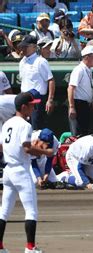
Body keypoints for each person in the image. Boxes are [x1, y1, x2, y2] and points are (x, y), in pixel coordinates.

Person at [0, 92, 51, 253]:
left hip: (8, 170)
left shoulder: (7, 123)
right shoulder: (25, 125)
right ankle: (30, 247)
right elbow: (27, 148)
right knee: (31, 210)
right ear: (23, 107)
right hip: (20, 171)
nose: (34, 107)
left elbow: (1, 147)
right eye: (32, 105)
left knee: (4, 211)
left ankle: (0, 246)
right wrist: (45, 152)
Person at [18, 35, 55, 130]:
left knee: (36, 129)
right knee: (25, 128)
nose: (23, 48)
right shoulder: (22, 62)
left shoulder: (41, 62)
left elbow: (51, 80)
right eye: (23, 46)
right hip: (24, 99)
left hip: (37, 100)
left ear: (34, 47)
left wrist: (50, 100)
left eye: (26, 46)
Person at [68, 46, 93, 136]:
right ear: (87, 57)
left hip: (85, 105)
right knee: (78, 134)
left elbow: (88, 90)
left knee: (85, 132)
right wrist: (72, 107)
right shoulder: (79, 70)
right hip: (78, 105)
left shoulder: (88, 70)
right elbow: (71, 88)